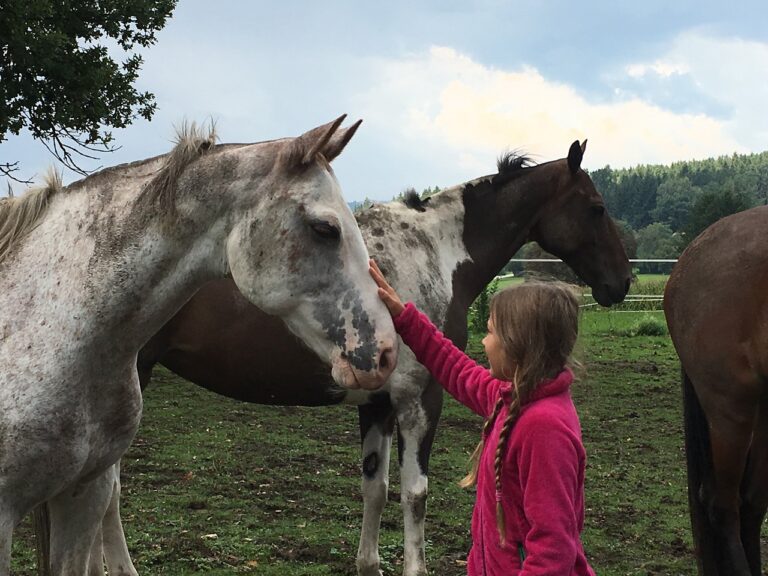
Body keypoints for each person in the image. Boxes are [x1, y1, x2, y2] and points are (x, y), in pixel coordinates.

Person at [369, 259, 595, 576]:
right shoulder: (514, 398)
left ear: (517, 344)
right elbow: (457, 370)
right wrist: (404, 318)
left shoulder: (544, 427)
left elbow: (552, 549)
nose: (484, 342)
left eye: (489, 332)